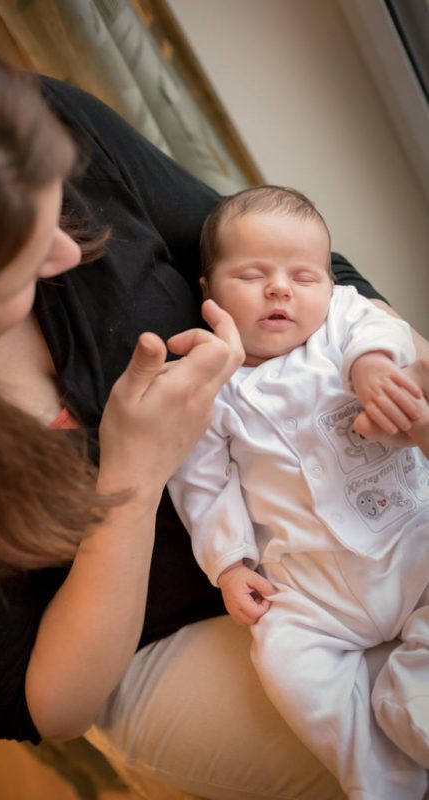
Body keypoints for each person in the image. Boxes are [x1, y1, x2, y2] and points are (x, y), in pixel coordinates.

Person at [0, 19, 428, 800]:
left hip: (363, 508)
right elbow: (45, 704)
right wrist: (136, 477)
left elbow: (301, 267)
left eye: (55, 216)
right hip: (178, 627)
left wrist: (396, 368)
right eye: (17, 260)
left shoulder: (44, 125)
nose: (68, 256)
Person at [168, 186, 429, 800]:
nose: (281, 288)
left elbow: (377, 333)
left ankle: (411, 702)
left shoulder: (342, 320)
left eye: (303, 275)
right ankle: (385, 783)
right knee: (285, 665)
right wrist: (230, 565)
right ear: (208, 292)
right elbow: (203, 481)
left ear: (328, 281)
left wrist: (370, 368)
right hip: (313, 589)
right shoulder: (214, 382)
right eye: (254, 274)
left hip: (412, 544)